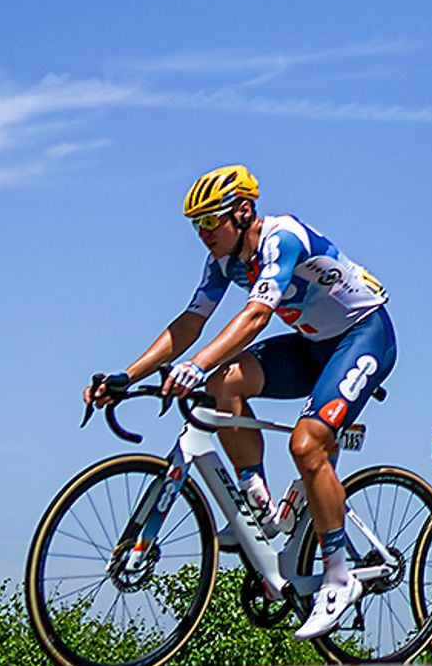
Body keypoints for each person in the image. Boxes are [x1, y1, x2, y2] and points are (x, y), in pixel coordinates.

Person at [91, 165, 400, 641]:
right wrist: (127, 375)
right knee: (224, 384)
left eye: (210, 222)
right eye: (196, 225)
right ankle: (258, 502)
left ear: (243, 212)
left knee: (306, 446)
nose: (203, 234)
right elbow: (190, 323)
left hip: (364, 335)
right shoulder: (223, 262)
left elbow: (257, 316)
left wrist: (194, 364)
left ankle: (338, 578)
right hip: (313, 345)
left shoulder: (282, 237)